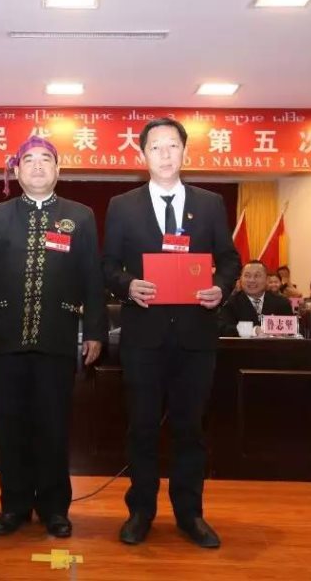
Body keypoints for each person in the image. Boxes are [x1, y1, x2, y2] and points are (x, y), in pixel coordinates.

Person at [102, 118, 240, 548]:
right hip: (144, 336)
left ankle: (190, 514)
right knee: (142, 427)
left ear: (185, 151)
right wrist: (127, 285)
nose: (165, 154)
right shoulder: (122, 205)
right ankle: (140, 511)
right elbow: (107, 265)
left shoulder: (210, 203)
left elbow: (230, 259)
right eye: (156, 147)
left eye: (172, 146)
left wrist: (221, 287)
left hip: (196, 337)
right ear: (142, 155)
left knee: (190, 429)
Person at [0, 136, 106, 539]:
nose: (38, 166)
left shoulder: (79, 216)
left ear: (58, 170)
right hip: (5, 339)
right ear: (17, 170)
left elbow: (92, 278)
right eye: (29, 160)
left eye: (46, 159)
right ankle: (14, 506)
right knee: (10, 427)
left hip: (58, 337)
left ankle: (55, 508)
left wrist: (95, 331)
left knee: (53, 427)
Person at [218, 260, 293, 336]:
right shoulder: (231, 303)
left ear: (267, 280)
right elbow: (224, 329)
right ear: (240, 279)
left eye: (257, 276)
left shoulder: (282, 303)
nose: (252, 280)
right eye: (247, 276)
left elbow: (291, 331)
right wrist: (253, 330)